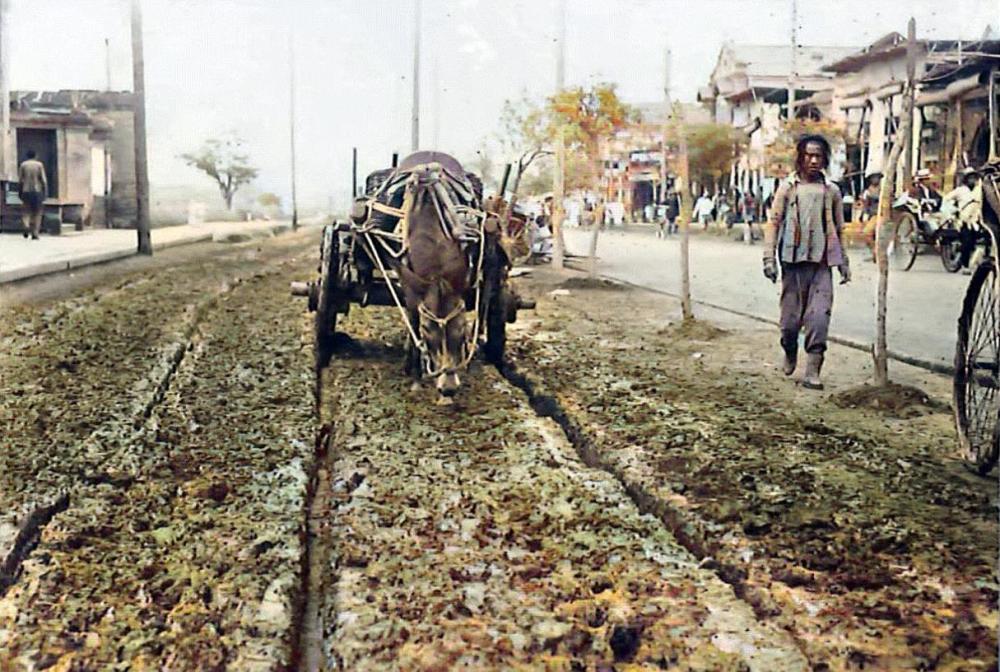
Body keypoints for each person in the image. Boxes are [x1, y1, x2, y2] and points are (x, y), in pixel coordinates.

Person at [762, 134, 851, 390]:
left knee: (819, 318)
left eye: (818, 156)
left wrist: (843, 260)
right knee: (790, 323)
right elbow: (774, 223)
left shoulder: (831, 191)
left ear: (825, 160)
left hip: (821, 265)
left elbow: (839, 228)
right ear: (800, 157)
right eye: (808, 155)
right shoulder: (787, 188)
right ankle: (790, 351)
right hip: (792, 265)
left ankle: (813, 371)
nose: (813, 160)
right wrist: (769, 258)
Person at [18, 150, 47, 240]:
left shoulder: (23, 165)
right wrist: (45, 192)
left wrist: (20, 192)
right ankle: (35, 233)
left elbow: (20, 180)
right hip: (37, 191)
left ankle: (26, 226)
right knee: (37, 213)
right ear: (36, 156)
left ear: (27, 156)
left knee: (26, 212)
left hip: (26, 191)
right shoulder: (39, 165)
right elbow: (43, 180)